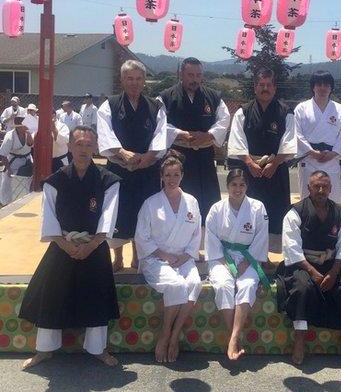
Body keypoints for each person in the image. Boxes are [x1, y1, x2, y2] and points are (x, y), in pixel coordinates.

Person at [19, 125, 120, 369]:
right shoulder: (55, 180)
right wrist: (66, 246)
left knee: (96, 294)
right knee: (51, 294)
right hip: (61, 244)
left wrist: (91, 245)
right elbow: (49, 217)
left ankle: (97, 348)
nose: (84, 149)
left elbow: (108, 216)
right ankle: (44, 349)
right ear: (70, 147)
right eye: (79, 144)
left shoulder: (109, 180)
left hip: (94, 246)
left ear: (95, 147)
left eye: (88, 144)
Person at [276, 171, 341, 365]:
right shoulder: (295, 212)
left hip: (331, 262)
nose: (320, 190)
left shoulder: (339, 212)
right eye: (316, 186)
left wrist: (334, 273)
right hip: (302, 262)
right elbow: (291, 249)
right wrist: (313, 273)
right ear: (308, 188)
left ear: (331, 189)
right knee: (302, 288)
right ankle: (300, 339)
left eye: (325, 186)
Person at [97, 60, 167, 272]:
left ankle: (138, 256)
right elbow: (105, 133)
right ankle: (117, 257)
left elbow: (161, 135)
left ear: (144, 81)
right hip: (118, 168)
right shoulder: (109, 104)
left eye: (138, 79)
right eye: (130, 78)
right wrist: (122, 152)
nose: (134, 83)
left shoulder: (155, 106)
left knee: (143, 212)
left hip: (147, 169)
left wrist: (148, 157)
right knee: (117, 212)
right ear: (122, 80)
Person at [135, 150, 203, 363]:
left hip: (183, 258)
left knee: (194, 283)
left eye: (176, 175)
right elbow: (142, 237)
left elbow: (196, 234)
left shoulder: (191, 201)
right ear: (161, 177)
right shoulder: (151, 203)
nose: (172, 179)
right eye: (168, 175)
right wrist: (164, 255)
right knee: (176, 285)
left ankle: (174, 336)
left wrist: (185, 257)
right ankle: (164, 335)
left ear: (182, 175)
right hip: (156, 258)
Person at [205, 169, 270, 360]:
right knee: (224, 285)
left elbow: (260, 239)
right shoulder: (217, 208)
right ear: (227, 186)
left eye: (242, 185)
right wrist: (227, 263)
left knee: (247, 284)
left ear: (247, 186)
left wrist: (243, 265)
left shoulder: (258, 207)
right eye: (234, 184)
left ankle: (233, 338)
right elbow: (211, 239)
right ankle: (235, 336)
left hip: (249, 257)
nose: (238, 189)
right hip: (221, 257)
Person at [159, 57, 231, 223]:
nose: (195, 79)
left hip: (204, 155)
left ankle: (206, 240)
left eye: (198, 75)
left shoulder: (213, 97)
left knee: (208, 200)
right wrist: (180, 133)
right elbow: (160, 123)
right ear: (181, 75)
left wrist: (209, 135)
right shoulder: (166, 97)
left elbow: (224, 120)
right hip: (177, 155)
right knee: (178, 199)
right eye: (190, 75)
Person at [227, 68, 296, 242]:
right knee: (248, 210)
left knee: (275, 210)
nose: (265, 88)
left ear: (274, 87)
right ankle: (245, 248)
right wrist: (250, 163)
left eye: (268, 85)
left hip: (276, 170)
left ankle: (268, 255)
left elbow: (289, 142)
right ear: (255, 87)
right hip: (250, 171)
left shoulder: (285, 112)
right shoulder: (244, 112)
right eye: (261, 85)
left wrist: (275, 163)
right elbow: (237, 140)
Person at [293, 71, 341, 203]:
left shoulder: (339, 109)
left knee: (332, 198)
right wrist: (312, 152)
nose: (323, 88)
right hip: (308, 159)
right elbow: (296, 133)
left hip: (331, 159)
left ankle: (332, 223)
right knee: (308, 198)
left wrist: (333, 153)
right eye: (319, 84)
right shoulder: (301, 108)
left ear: (331, 88)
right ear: (313, 87)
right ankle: (308, 223)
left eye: (326, 85)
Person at [0, 114, 33, 207]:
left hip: (27, 159)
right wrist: (8, 169)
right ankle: (5, 203)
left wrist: (29, 134)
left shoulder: (28, 133)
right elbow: (3, 155)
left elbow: (30, 144)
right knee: (7, 183)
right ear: (18, 127)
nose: (25, 127)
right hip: (13, 162)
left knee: (28, 181)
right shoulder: (10, 136)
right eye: (23, 126)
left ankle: (26, 201)